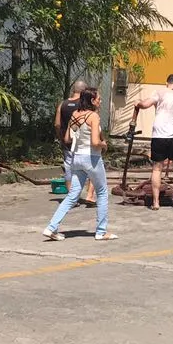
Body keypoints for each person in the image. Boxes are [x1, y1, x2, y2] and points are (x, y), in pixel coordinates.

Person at [42, 88, 115, 241]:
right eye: (99, 99)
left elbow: (67, 138)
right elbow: (95, 142)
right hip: (92, 158)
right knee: (101, 193)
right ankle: (101, 231)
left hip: (76, 158)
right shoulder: (93, 116)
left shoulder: (75, 115)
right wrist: (104, 144)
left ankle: (51, 227)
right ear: (92, 100)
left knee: (72, 195)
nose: (100, 101)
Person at [133, 73, 173, 210]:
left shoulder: (159, 92)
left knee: (157, 169)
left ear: (167, 83)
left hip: (159, 136)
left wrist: (138, 103)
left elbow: (145, 104)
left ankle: (155, 202)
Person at [54, 80, 95, 207]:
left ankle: (73, 198)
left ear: (73, 90)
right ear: (84, 91)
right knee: (91, 169)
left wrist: (61, 136)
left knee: (69, 169)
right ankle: (90, 196)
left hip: (67, 143)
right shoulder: (84, 105)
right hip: (83, 143)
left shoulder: (63, 104)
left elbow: (57, 124)